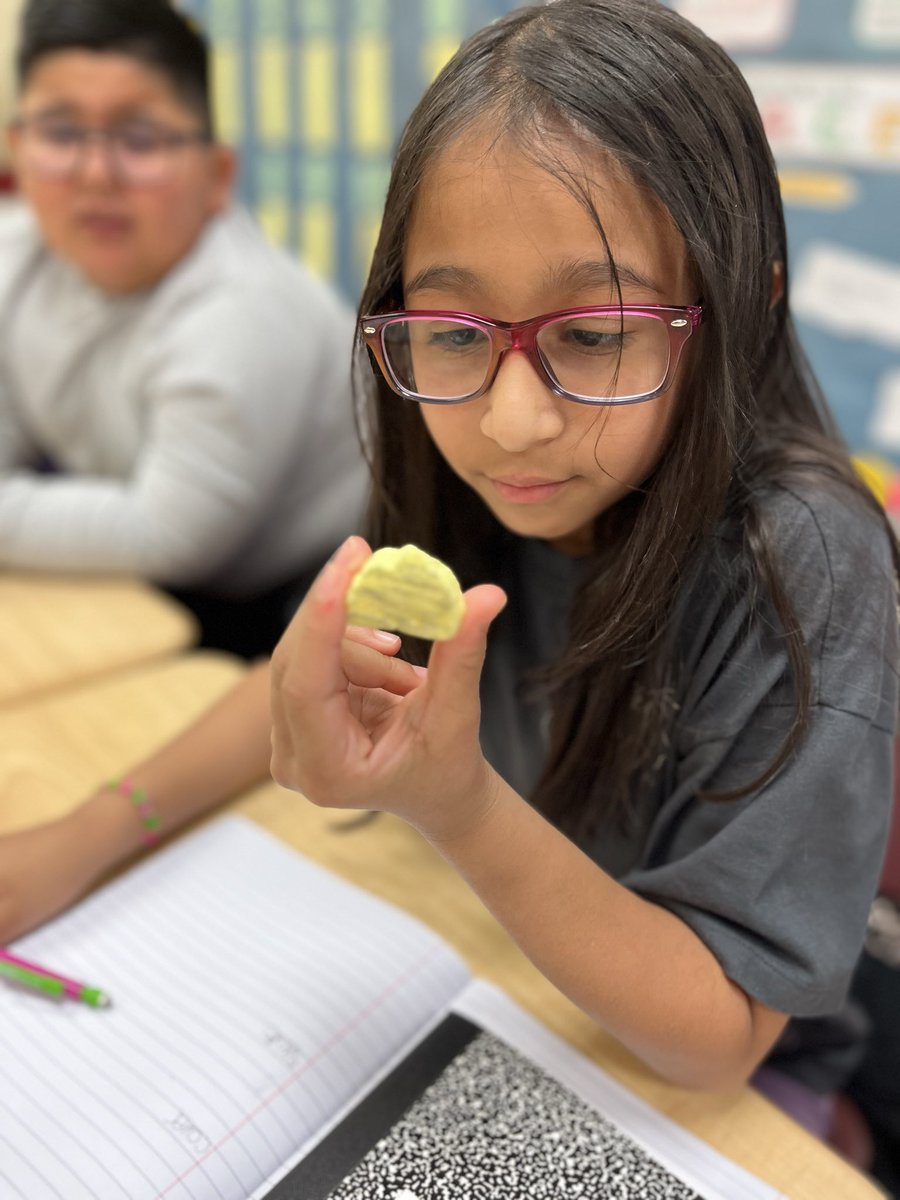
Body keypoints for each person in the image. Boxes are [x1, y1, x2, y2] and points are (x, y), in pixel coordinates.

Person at [0, 0, 897, 1146]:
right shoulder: (445, 440)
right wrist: (82, 839)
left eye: (595, 332)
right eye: (456, 329)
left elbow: (718, 1037)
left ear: (745, 308)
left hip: (715, 1085)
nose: (511, 422)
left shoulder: (804, 557)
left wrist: (457, 803)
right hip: (495, 963)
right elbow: (307, 672)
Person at [0, 0, 367, 658]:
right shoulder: (15, 253)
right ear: (16, 149)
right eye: (60, 133)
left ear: (217, 175)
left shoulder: (246, 310)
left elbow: (172, 539)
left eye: (139, 139)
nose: (95, 174)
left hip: (293, 599)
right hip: (128, 570)